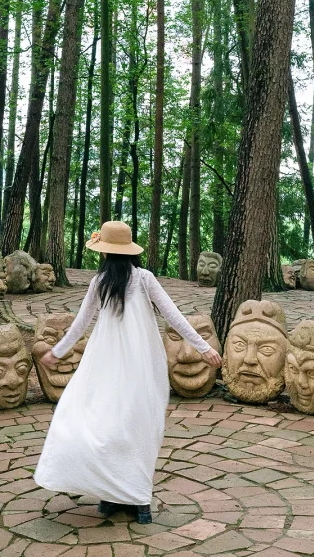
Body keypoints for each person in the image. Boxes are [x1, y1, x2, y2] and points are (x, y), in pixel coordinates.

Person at [34, 220, 222, 524]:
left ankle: (130, 495)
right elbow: (174, 316)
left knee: (111, 423)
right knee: (134, 424)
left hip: (112, 362)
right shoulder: (118, 281)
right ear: (130, 252)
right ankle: (119, 494)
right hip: (135, 364)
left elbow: (81, 325)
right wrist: (204, 348)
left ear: (106, 253)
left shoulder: (116, 281)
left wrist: (56, 352)